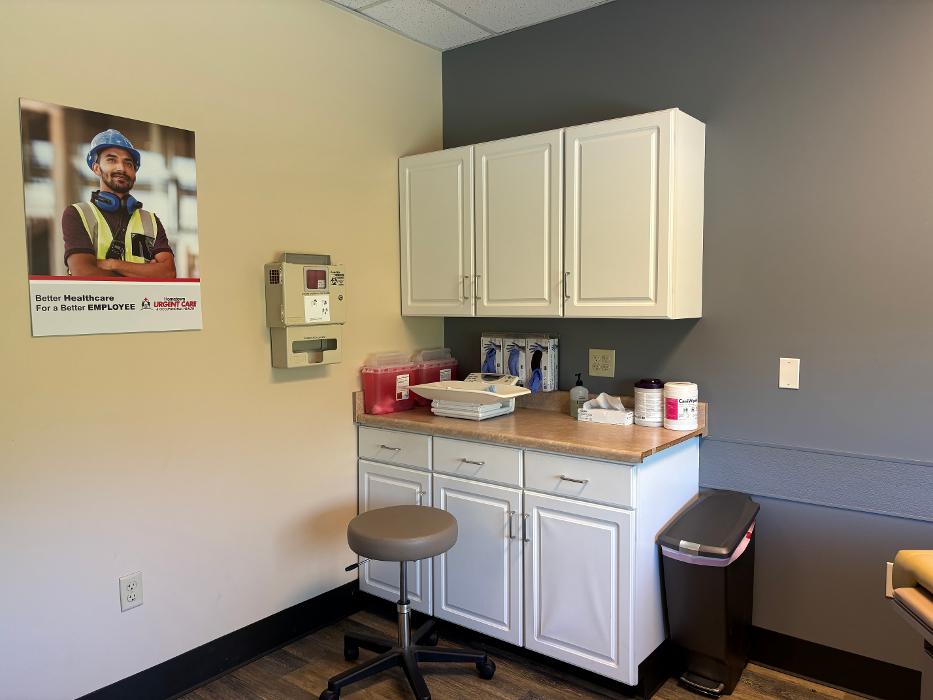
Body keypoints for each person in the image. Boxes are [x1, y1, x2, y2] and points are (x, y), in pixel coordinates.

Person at [62, 129, 175, 278]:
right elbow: (84, 273)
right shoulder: (77, 214)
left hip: (141, 301)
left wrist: (112, 264)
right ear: (96, 168)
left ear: (134, 172)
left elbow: (168, 273)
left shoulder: (151, 222)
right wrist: (145, 272)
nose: (121, 168)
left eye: (128, 163)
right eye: (111, 160)